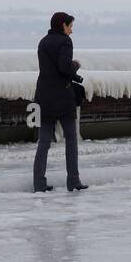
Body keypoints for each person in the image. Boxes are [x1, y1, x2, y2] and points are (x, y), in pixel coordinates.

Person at [33, 11, 87, 193]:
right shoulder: (65, 42)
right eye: (70, 26)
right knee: (71, 138)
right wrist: (76, 65)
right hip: (63, 98)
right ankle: (73, 180)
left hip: (43, 96)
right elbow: (64, 68)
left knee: (44, 142)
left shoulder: (43, 42)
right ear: (62, 25)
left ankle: (39, 183)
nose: (71, 31)